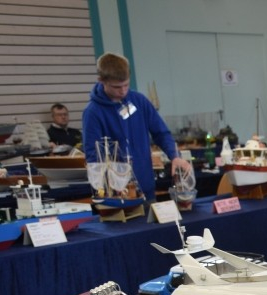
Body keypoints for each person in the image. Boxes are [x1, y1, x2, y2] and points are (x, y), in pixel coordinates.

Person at [81, 53, 190, 202]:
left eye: (126, 85)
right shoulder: (93, 112)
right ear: (101, 81)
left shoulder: (139, 101)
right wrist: (104, 188)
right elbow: (93, 155)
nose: (123, 91)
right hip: (115, 194)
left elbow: (161, 133)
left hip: (146, 188)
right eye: (117, 87)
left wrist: (175, 156)